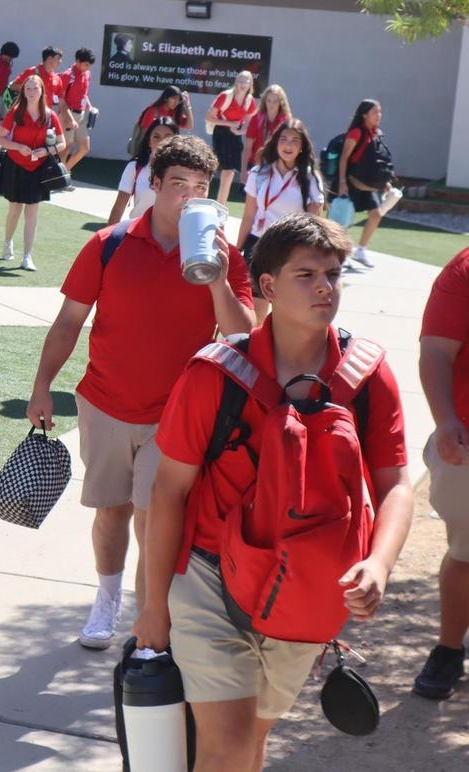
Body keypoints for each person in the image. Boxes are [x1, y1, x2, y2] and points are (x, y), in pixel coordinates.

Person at [134, 213, 412, 772]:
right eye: (306, 274)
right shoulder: (216, 375)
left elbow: (396, 486)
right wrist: (153, 606)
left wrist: (379, 563)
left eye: (333, 274)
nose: (324, 287)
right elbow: (167, 495)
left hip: (307, 589)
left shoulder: (367, 375)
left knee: (249, 744)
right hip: (209, 579)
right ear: (267, 286)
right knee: (230, 742)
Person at [26, 135, 254, 651]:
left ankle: (151, 621)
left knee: (156, 519)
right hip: (105, 403)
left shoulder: (226, 256)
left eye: (200, 188)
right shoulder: (109, 243)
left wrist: (217, 277)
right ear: (154, 186)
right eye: (178, 185)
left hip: (178, 416)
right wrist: (42, 386)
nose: (189, 197)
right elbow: (68, 323)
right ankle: (106, 601)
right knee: (112, 513)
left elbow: (243, 337)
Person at [413, 246, 469, 699]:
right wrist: (446, 420)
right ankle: (450, 649)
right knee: (467, 555)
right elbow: (434, 351)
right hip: (468, 438)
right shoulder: (465, 269)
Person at [235, 120, 325, 323]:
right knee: (257, 303)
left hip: (291, 247)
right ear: (275, 143)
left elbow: (313, 222)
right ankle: (256, 348)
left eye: (295, 140)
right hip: (258, 243)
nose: (288, 145)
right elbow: (248, 215)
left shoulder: (310, 178)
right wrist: (237, 249)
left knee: (285, 304)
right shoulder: (259, 173)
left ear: (302, 146)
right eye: (283, 139)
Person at [0, 73, 64, 271]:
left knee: (32, 212)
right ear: (23, 92)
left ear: (42, 91)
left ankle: (27, 256)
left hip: (38, 168)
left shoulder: (50, 115)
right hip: (16, 165)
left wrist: (46, 150)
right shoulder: (15, 113)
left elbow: (62, 142)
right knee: (14, 209)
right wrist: (16, 146)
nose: (32, 92)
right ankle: (7, 242)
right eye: (28, 88)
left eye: (35, 88)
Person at [336, 99, 393, 268]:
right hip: (351, 182)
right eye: (375, 112)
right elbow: (344, 158)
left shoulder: (376, 133)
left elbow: (379, 161)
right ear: (364, 114)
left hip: (368, 185)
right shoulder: (356, 133)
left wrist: (386, 181)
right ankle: (341, 253)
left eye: (380, 111)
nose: (379, 115)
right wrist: (342, 181)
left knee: (376, 215)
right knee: (344, 220)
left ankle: (360, 250)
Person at [107, 117, 180, 224]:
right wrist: (108, 238)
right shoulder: (135, 167)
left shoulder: (185, 171)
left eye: (168, 137)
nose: (162, 142)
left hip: (170, 237)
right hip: (138, 233)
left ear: (177, 141)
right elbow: (119, 206)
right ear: (149, 142)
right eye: (156, 137)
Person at [206, 70, 257, 204]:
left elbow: (249, 122)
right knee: (222, 168)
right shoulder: (225, 96)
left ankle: (221, 204)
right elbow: (209, 117)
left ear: (251, 84)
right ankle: (209, 198)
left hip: (235, 134)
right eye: (240, 80)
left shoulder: (249, 100)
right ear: (236, 82)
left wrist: (240, 131)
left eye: (246, 81)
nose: (243, 84)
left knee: (230, 171)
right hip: (221, 132)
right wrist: (229, 123)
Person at [240, 84, 291, 181]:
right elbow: (247, 147)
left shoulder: (286, 121)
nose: (271, 104)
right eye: (269, 101)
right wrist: (243, 171)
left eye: (275, 101)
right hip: (256, 164)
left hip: (277, 166)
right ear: (264, 101)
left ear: (281, 102)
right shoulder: (256, 119)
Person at [60, 47, 96, 171]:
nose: (88, 67)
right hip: (67, 115)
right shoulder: (67, 75)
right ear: (77, 61)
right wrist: (70, 118)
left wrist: (90, 107)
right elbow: (61, 100)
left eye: (89, 65)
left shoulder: (87, 74)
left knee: (85, 147)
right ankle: (59, 177)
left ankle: (64, 173)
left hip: (80, 115)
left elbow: (84, 94)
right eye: (85, 64)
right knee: (66, 145)